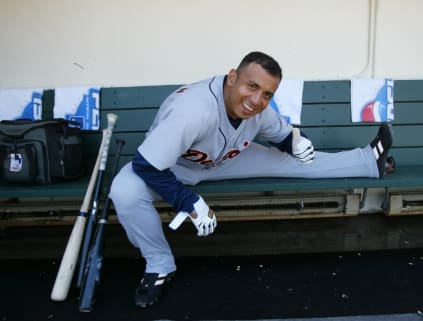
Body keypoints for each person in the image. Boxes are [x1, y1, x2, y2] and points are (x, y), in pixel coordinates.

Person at [109, 51, 394, 308]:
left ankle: (368, 161)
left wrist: (296, 141)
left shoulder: (258, 109)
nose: (257, 100)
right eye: (252, 86)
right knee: (125, 191)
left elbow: (282, 136)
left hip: (222, 160)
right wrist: (188, 202)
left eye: (267, 94)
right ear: (233, 77)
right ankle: (159, 265)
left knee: (291, 162)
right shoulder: (193, 110)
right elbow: (146, 164)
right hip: (173, 166)